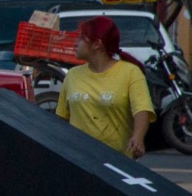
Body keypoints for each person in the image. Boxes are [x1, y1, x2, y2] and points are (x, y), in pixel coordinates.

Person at [56, 16, 155, 158]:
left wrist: (138, 138)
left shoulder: (131, 73)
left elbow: (142, 110)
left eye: (81, 39)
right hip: (79, 159)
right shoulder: (72, 75)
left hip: (118, 160)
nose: (75, 44)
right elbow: (62, 117)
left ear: (97, 44)